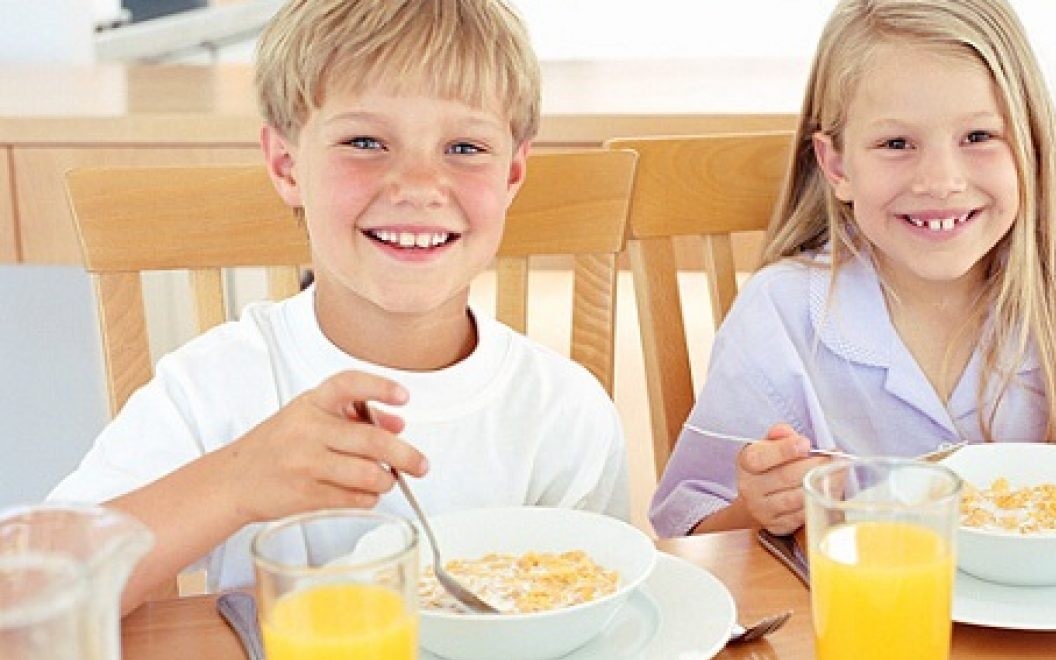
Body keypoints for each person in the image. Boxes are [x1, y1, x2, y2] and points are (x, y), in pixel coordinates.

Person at [49, 0, 629, 612]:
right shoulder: (214, 388)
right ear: (286, 164)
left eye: (463, 148)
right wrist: (233, 483)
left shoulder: (566, 415)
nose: (418, 186)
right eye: (364, 141)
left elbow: (600, 628)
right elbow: (27, 589)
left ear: (513, 172)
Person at [649, 0, 1056, 538]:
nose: (940, 181)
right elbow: (687, 524)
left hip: (1044, 659)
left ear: (1030, 149)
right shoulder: (779, 317)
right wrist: (760, 507)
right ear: (835, 167)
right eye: (896, 144)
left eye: (977, 136)